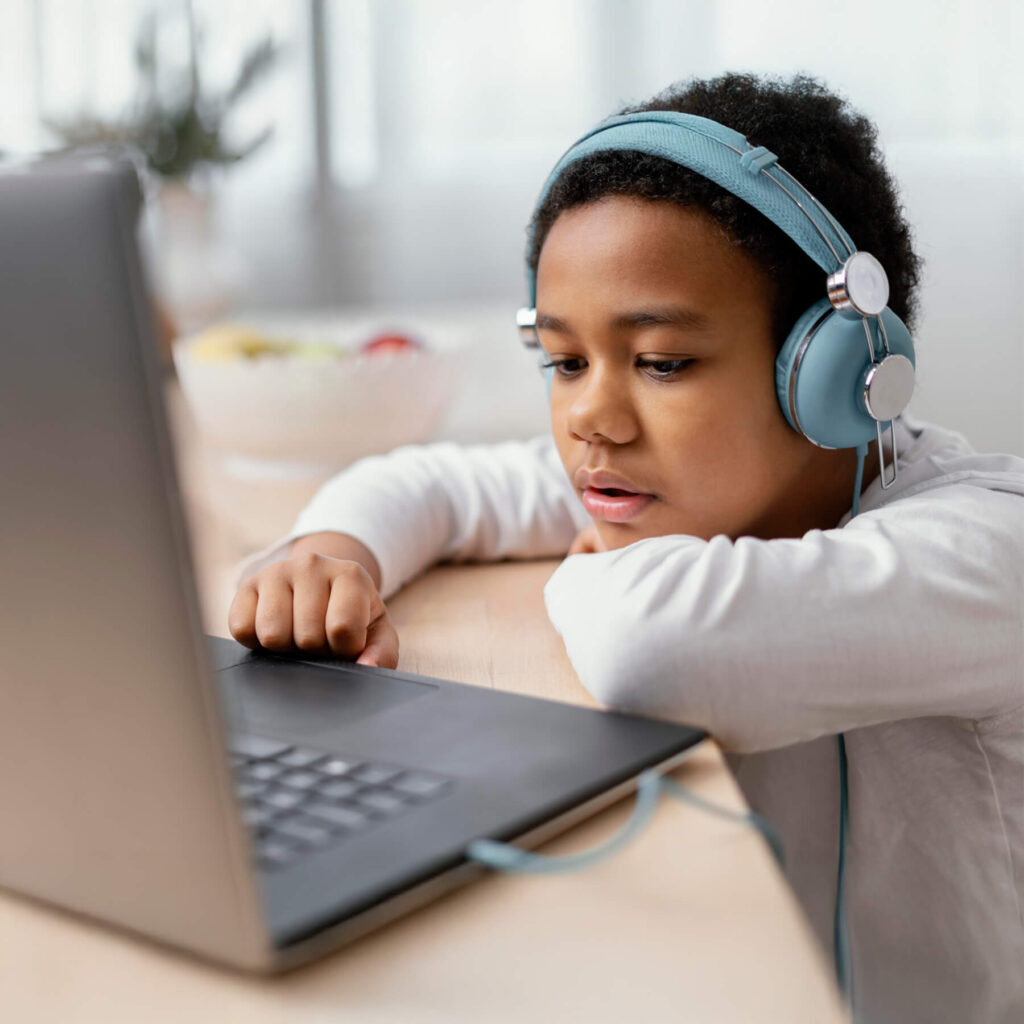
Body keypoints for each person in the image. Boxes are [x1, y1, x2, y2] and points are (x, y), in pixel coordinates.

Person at [228, 73, 1024, 1023]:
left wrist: (594, 565)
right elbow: (431, 482)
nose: (591, 420)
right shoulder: (672, 482)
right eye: (565, 362)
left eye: (662, 363)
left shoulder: (987, 544)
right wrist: (334, 552)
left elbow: (655, 646)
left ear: (833, 371)